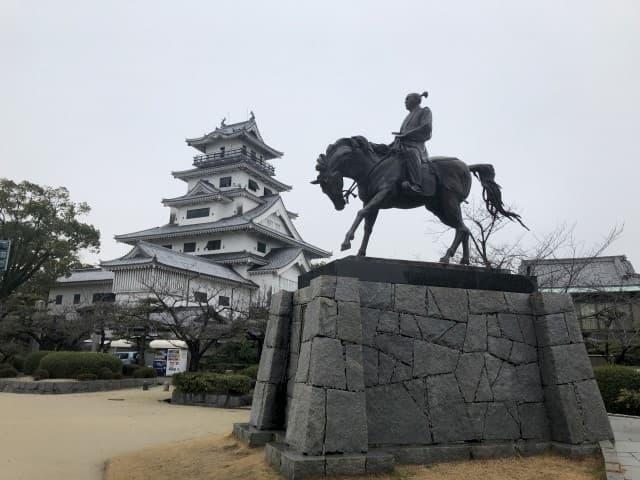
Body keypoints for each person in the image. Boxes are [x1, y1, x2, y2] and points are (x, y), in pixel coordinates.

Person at [391, 91, 432, 195]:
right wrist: (401, 136)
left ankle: (416, 184)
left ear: (415, 100)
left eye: (407, 99)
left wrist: (406, 135)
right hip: (401, 145)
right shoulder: (408, 116)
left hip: (415, 146)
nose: (405, 102)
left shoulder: (424, 111)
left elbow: (426, 127)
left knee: (411, 153)